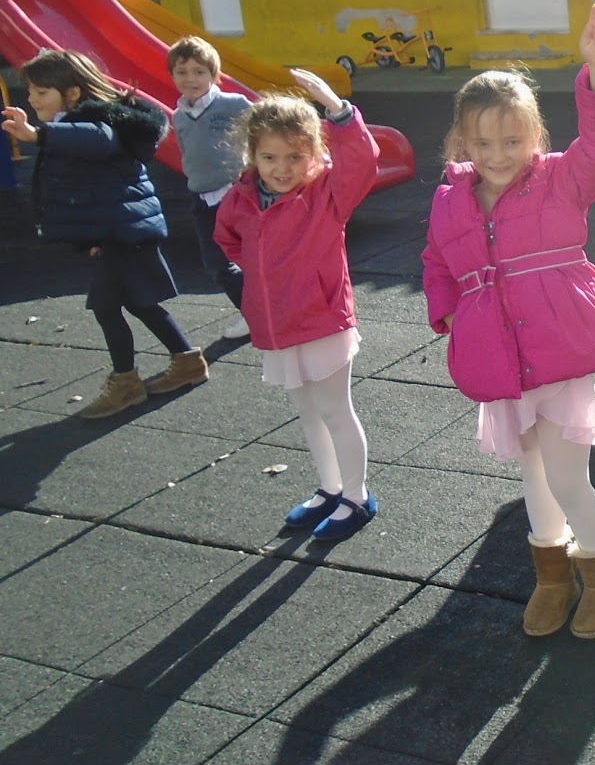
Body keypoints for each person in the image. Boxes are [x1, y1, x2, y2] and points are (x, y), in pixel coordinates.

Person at [421, 5, 595, 640]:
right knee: (533, 473)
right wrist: (450, 313)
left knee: (567, 476)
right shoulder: (451, 198)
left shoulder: (560, 180)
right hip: (499, 354)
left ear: (535, 136)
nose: (497, 155)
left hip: (557, 350)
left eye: (512, 141)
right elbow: (437, 260)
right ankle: (552, 575)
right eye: (482, 144)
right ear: (462, 142)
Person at [215, 69, 380, 542]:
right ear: (253, 156)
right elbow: (228, 238)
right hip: (277, 324)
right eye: (269, 157)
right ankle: (330, 488)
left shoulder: (326, 193)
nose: (281, 169)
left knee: (334, 409)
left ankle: (357, 496)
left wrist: (339, 111)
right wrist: (264, 280)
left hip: (321, 320)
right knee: (307, 411)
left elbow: (362, 161)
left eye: (294, 157)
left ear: (313, 155)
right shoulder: (243, 199)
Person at [3, 49, 208, 418]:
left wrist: (37, 134)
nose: (31, 99)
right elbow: (89, 189)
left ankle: (130, 381)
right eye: (30, 91)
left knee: (110, 306)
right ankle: (184, 361)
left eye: (41, 92)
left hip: (128, 230)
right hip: (118, 230)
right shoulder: (71, 126)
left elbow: (95, 138)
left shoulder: (97, 123)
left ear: (73, 93)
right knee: (137, 303)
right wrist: (93, 238)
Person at [167, 36, 252, 341]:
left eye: (199, 71)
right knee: (216, 264)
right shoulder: (179, 116)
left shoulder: (233, 104)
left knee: (256, 257)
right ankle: (251, 313)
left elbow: (261, 132)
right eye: (182, 72)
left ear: (214, 75)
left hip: (236, 193)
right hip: (202, 198)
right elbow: (186, 150)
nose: (190, 79)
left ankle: (271, 310)